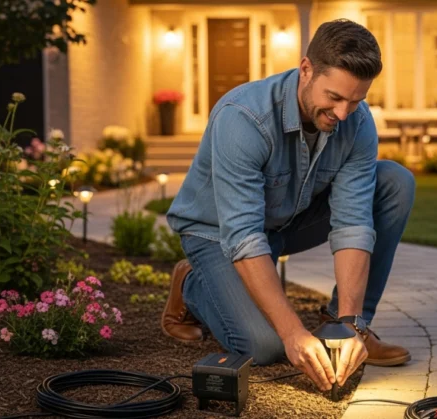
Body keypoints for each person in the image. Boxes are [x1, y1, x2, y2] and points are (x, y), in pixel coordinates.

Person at [160, 19, 415, 393]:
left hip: (287, 220)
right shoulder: (243, 118)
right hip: (217, 233)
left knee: (394, 182)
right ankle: (193, 283)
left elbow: (353, 225)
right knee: (266, 346)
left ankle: (344, 327)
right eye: (334, 98)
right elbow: (244, 236)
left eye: (355, 100)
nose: (344, 113)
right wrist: (293, 333)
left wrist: (349, 323)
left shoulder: (357, 123)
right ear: (306, 69)